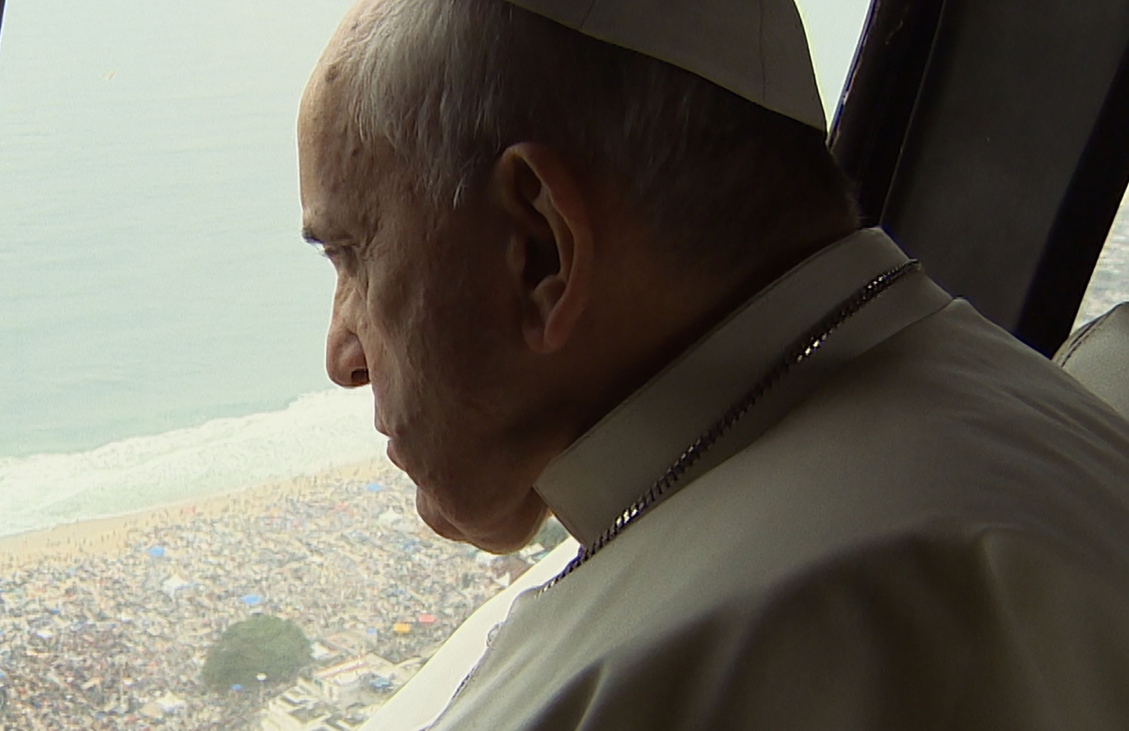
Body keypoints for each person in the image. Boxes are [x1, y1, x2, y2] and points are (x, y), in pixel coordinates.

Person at [295, 0, 1129, 728]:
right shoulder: (1050, 418)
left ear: (541, 249)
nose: (342, 356)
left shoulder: (629, 693)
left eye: (350, 255)